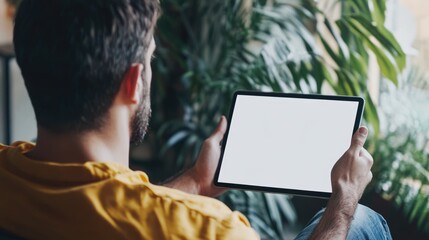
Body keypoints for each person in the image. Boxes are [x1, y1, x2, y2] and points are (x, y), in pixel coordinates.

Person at [0, 0, 391, 239]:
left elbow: (98, 204)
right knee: (360, 220)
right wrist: (343, 198)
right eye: (151, 58)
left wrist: (196, 182)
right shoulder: (213, 231)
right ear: (134, 81)